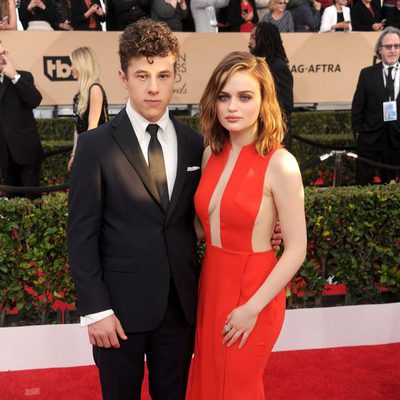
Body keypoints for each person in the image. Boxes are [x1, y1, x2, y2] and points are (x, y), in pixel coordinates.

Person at [67, 19, 204, 400]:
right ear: (123, 77)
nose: (154, 87)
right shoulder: (95, 147)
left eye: (163, 74)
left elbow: (208, 213)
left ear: (175, 74)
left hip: (179, 310)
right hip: (117, 312)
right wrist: (95, 311)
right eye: (142, 75)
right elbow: (81, 235)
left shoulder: (196, 144)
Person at [190, 51, 307, 399]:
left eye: (245, 97)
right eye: (224, 96)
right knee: (208, 381)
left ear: (263, 100)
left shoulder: (281, 163)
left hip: (254, 290)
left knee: (238, 386)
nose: (232, 107)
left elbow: (296, 248)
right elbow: (205, 226)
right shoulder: (211, 152)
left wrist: (252, 308)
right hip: (211, 282)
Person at [351, 26, 400, 184]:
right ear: (380, 49)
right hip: (370, 139)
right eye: (388, 46)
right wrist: (358, 132)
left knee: (391, 188)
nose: (392, 50)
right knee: (362, 184)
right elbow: (357, 107)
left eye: (397, 46)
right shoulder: (367, 74)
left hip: (397, 140)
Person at [0, 40, 44, 199]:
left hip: (27, 152)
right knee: (11, 206)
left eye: (4, 53)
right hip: (4, 156)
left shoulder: (23, 77)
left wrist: (14, 76)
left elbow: (35, 100)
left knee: (33, 203)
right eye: (0, 54)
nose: (3, 57)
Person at [249, 22, 294, 149]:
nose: (249, 42)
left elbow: (286, 105)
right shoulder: (260, 65)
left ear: (264, 39)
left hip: (274, 135)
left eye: (253, 37)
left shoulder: (278, 67)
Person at [68, 47, 108, 170]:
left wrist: (81, 154)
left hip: (95, 152)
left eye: (72, 64)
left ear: (82, 65)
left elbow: (92, 128)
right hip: (86, 149)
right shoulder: (82, 93)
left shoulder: (95, 89)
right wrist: (74, 154)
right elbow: (78, 127)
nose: (70, 69)